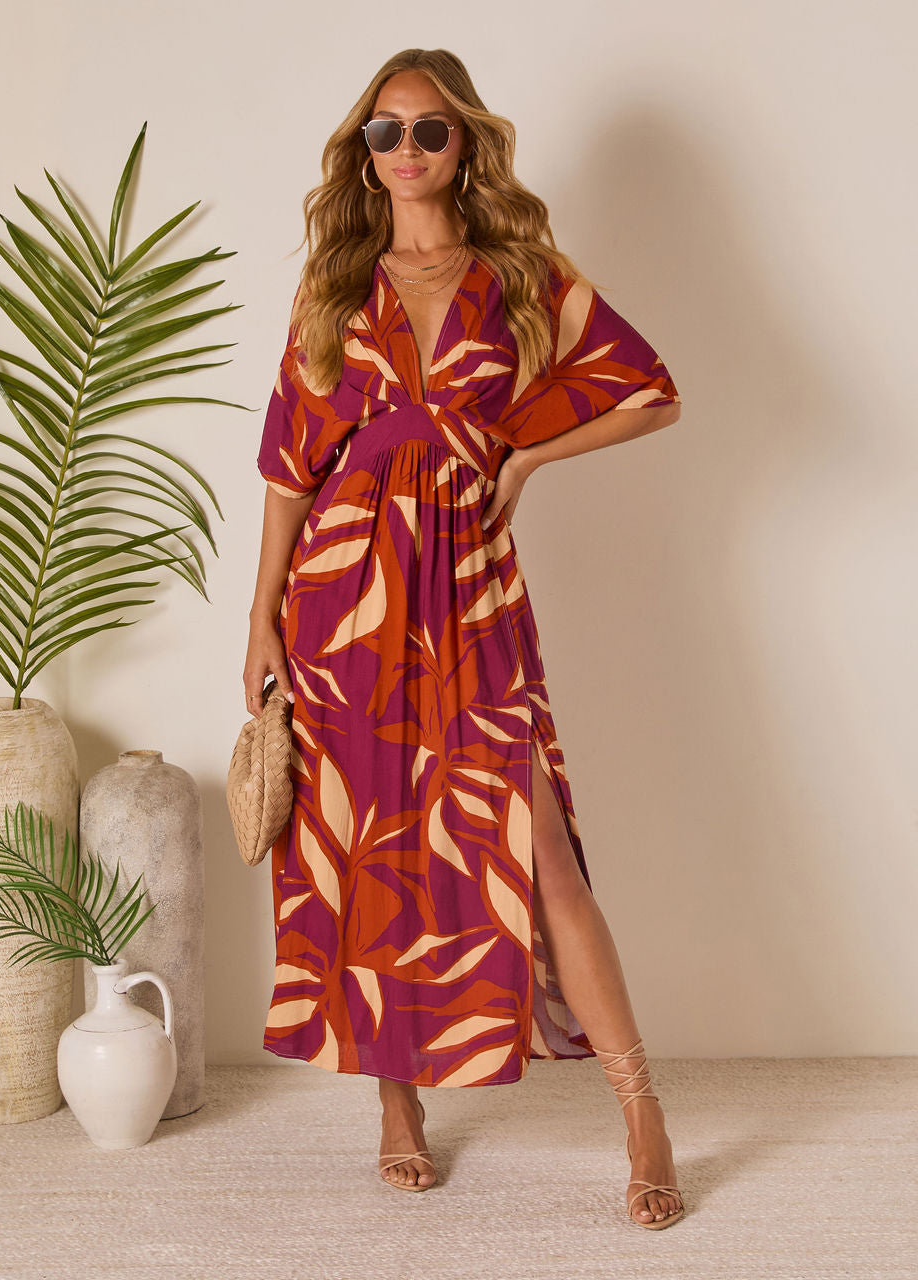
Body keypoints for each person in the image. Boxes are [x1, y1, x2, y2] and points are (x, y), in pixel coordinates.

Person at [244, 47, 685, 1228]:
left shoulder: (521, 275)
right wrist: (260, 621)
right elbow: (289, 469)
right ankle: (397, 1107)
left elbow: (652, 391)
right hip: (343, 603)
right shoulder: (337, 285)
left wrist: (528, 455)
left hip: (473, 596)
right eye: (383, 132)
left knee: (540, 852)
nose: (406, 150)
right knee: (370, 851)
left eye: (428, 130)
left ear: (464, 144)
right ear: (364, 152)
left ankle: (642, 1109)